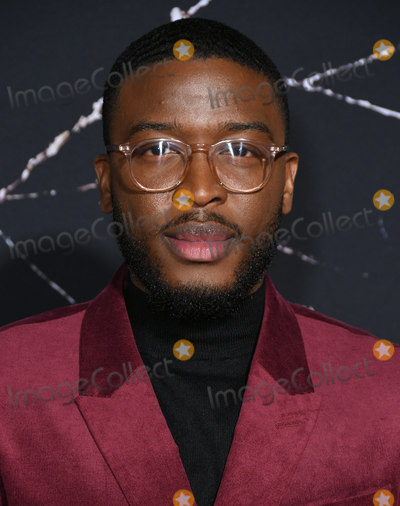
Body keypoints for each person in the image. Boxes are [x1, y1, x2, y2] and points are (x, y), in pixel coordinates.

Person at [0, 17, 398, 506]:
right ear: (106, 183)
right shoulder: (8, 384)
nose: (200, 190)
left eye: (241, 150)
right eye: (158, 150)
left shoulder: (387, 391)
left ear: (287, 182)